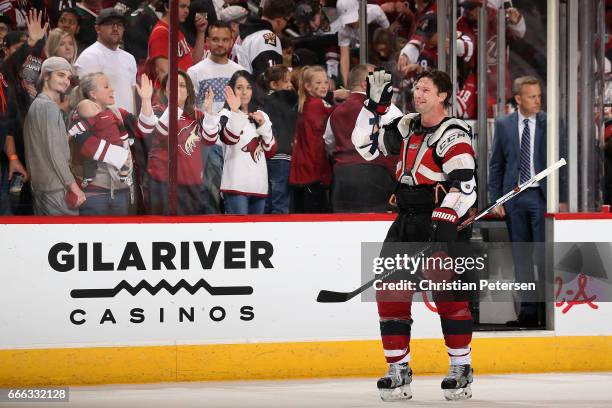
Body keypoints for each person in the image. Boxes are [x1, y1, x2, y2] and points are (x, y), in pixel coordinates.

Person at [352, 69, 477, 401]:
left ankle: (460, 368)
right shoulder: (407, 125)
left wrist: (446, 215)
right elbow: (364, 146)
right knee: (390, 292)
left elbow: (466, 187)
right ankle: (398, 369)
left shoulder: (454, 133)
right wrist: (373, 109)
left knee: (449, 298)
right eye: (416, 89)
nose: (418, 94)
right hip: (406, 221)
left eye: (426, 90)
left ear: (442, 96)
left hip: (441, 222)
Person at [488, 75, 546, 327]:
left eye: (539, 96)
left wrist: (563, 200)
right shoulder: (503, 125)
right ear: (518, 99)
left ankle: (547, 310)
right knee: (521, 257)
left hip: (542, 197)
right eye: (532, 96)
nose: (537, 101)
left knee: (544, 255)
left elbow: (564, 162)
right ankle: (529, 312)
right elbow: (497, 165)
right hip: (514, 198)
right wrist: (496, 199)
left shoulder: (549, 123)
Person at [187, 20, 245, 214]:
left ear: (231, 42)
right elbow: (190, 108)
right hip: (208, 143)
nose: (220, 44)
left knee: (235, 192)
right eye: (215, 39)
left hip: (235, 141)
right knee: (210, 194)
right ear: (208, 42)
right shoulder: (195, 72)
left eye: (225, 40)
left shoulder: (240, 72)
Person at [323, 64, 398, 212]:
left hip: (342, 179)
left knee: (344, 230)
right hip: (377, 177)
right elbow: (401, 145)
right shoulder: (388, 109)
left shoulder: (336, 112)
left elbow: (328, 143)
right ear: (366, 84)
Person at [138, 71, 214, 215]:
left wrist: (209, 113)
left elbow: (210, 140)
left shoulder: (197, 115)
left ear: (189, 91)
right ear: (165, 91)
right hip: (162, 184)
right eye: (172, 85)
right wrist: (148, 101)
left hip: (191, 185)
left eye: (182, 85)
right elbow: (158, 135)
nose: (177, 89)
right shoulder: (157, 111)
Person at [67, 72, 140, 215]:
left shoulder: (118, 112)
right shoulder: (79, 114)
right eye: (106, 86)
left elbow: (141, 129)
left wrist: (146, 100)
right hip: (94, 194)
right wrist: (121, 157)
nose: (112, 89)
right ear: (93, 94)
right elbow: (86, 145)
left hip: (120, 191)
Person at [205, 70, 276, 214]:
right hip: (235, 187)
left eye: (248, 87)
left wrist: (263, 125)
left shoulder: (261, 115)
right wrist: (236, 112)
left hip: (259, 187)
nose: (244, 92)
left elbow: (271, 151)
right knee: (237, 233)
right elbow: (229, 139)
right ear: (232, 90)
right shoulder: (225, 115)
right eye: (239, 87)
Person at [23, 56, 86, 215]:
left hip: (41, 188)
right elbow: (55, 152)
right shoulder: (48, 107)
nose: (66, 81)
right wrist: (73, 186)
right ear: (45, 75)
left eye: (68, 77)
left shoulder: (37, 104)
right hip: (55, 189)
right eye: (60, 75)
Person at [74, 7, 138, 113]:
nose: (115, 28)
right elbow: (84, 98)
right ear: (97, 29)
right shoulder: (89, 56)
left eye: (120, 24)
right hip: (103, 124)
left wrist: (134, 121)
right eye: (110, 24)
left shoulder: (129, 58)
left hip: (127, 123)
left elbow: (132, 95)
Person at [289, 65, 334, 213]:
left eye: (325, 82)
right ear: (308, 86)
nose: (323, 86)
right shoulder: (317, 105)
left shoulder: (306, 103)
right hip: (313, 169)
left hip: (303, 169)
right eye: (318, 83)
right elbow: (337, 114)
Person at [260, 64, 297, 214]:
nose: (290, 86)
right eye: (286, 82)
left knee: (268, 200)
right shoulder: (285, 98)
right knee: (280, 201)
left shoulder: (262, 101)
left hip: (266, 157)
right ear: (274, 84)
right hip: (281, 156)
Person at [148, 0, 207, 86]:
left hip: (185, 90)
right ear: (167, 7)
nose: (187, 11)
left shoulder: (175, 29)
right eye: (182, 6)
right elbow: (164, 73)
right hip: (174, 95)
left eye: (187, 7)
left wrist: (201, 32)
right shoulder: (160, 33)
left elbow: (195, 61)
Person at [335, 0, 389, 87]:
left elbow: (387, 35)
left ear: (359, 11)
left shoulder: (375, 12)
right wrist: (346, 86)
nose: (352, 22)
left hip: (379, 47)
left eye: (352, 18)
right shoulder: (343, 29)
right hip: (361, 50)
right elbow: (344, 57)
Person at [236, 0, 293, 78]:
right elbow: (270, 79)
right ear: (279, 21)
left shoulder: (244, 33)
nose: (287, 25)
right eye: (288, 21)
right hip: (251, 87)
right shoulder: (268, 37)